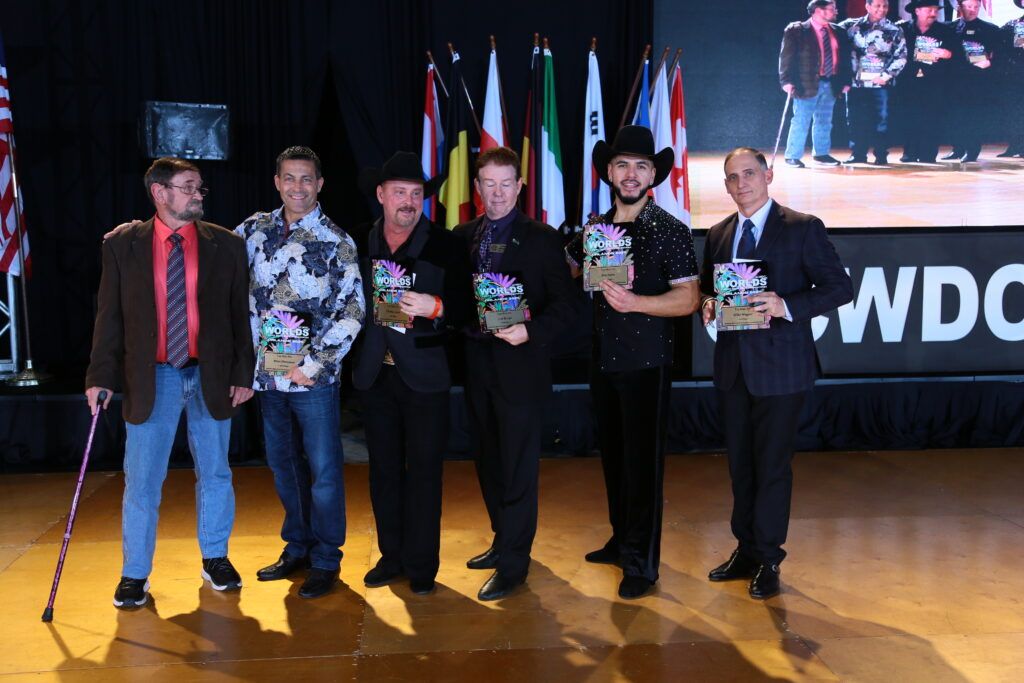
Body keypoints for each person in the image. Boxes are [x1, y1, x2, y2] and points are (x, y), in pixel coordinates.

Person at [86, 157, 255, 610]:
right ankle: (134, 574)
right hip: (153, 376)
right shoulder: (123, 245)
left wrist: (243, 373)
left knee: (215, 472)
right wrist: (99, 377)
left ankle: (216, 557)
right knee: (142, 480)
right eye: (188, 187)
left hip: (210, 374)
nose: (198, 194)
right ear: (160, 193)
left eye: (200, 187)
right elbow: (109, 318)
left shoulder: (227, 244)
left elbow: (240, 317)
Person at [700, 148, 852, 600]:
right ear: (726, 186)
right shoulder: (718, 233)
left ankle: (768, 558)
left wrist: (786, 305)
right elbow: (709, 288)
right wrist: (708, 304)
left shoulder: (803, 227)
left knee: (770, 468)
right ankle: (746, 550)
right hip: (733, 369)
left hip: (782, 371)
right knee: (741, 467)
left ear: (768, 176)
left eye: (749, 174)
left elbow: (840, 287)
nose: (741, 183)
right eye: (733, 177)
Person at [565, 125, 700, 599]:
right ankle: (622, 540)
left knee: (643, 467)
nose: (631, 174)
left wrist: (636, 302)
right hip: (603, 360)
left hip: (646, 364)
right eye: (622, 164)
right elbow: (575, 272)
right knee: (614, 459)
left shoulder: (670, 230)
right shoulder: (595, 229)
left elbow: (689, 299)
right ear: (609, 171)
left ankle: (642, 564)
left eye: (641, 166)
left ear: (653, 175)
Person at [453, 146, 580, 602]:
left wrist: (530, 331)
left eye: (506, 184)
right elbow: (457, 298)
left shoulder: (542, 238)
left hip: (521, 370)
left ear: (520, 186)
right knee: (488, 462)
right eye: (489, 184)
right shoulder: (462, 236)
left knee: (518, 469)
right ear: (477, 187)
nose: (498, 193)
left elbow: (567, 306)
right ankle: (502, 538)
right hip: (477, 367)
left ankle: (513, 565)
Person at [238, 146, 364, 599]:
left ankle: (327, 558)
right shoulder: (253, 230)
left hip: (313, 380)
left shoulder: (337, 240)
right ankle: (298, 546)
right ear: (277, 182)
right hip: (268, 376)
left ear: (320, 184)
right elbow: (210, 254)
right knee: (282, 466)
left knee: (324, 472)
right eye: (289, 178)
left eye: (306, 178)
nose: (297, 187)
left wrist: (314, 364)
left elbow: (354, 310)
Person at [350, 152, 471, 596]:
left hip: (425, 377)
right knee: (383, 472)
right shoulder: (359, 240)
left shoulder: (446, 244)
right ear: (381, 195)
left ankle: (421, 565)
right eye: (399, 192)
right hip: (374, 376)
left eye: (416, 193)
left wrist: (435, 307)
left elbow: (470, 307)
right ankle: (391, 556)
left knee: (423, 474)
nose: (408, 201)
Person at [779, 0, 854, 168]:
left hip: (831, 82)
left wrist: (846, 81)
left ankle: (821, 153)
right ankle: (792, 156)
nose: (835, 12)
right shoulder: (797, 30)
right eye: (832, 9)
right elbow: (786, 58)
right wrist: (786, 81)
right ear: (818, 10)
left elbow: (845, 59)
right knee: (801, 120)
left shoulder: (838, 31)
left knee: (825, 120)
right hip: (806, 83)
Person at [840, 0, 908, 165]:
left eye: (885, 6)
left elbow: (901, 56)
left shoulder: (894, 30)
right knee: (856, 119)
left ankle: (881, 154)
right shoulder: (851, 26)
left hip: (881, 84)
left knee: (882, 120)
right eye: (877, 5)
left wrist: (886, 76)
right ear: (867, 6)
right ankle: (858, 154)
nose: (882, 9)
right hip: (857, 83)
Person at [896, 0, 964, 162]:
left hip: (935, 82)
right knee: (909, 116)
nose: (934, 13)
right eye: (929, 10)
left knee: (932, 117)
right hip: (908, 81)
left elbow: (960, 55)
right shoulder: (903, 29)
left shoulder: (946, 31)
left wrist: (948, 54)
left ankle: (928, 154)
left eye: (936, 10)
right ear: (917, 11)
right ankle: (910, 152)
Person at [944, 0, 1001, 162]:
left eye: (976, 7)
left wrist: (990, 62)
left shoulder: (990, 29)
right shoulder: (949, 28)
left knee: (972, 115)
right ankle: (957, 149)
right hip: (954, 78)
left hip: (977, 78)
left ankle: (972, 150)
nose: (973, 10)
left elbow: (999, 53)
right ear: (959, 7)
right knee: (955, 114)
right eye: (969, 6)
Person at [995, 0, 1024, 158]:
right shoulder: (1013, 25)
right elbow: (1000, 45)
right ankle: (1015, 145)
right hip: (1016, 75)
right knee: (1014, 111)